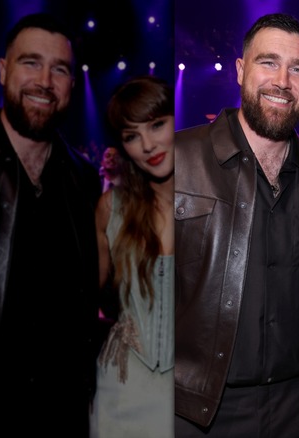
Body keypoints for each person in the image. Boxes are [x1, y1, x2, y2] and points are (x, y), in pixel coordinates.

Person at [173, 13, 299, 437]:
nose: (282, 80)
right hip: (201, 412)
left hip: (298, 407)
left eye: (297, 69)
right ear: (241, 70)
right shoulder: (178, 159)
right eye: (268, 62)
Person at [0, 12, 101, 436]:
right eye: (31, 62)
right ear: (3, 70)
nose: (44, 81)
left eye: (59, 69)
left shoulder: (82, 179)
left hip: (57, 414)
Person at [89, 76, 175, 437]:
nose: (147, 145)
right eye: (131, 136)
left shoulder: (213, 201)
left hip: (192, 392)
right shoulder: (112, 208)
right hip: (122, 387)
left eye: (156, 125)